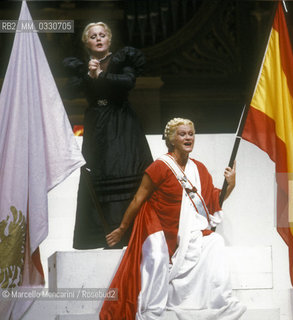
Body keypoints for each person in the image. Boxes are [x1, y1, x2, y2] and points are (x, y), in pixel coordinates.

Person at [99, 118, 246, 319]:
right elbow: (137, 199)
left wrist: (231, 185)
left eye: (191, 134)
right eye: (182, 134)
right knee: (158, 257)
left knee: (216, 242)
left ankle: (219, 302)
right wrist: (122, 229)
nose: (188, 138)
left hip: (189, 230)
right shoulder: (160, 166)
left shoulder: (199, 169)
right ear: (171, 139)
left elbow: (212, 201)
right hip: (161, 227)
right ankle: (152, 309)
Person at [63, 22, 153, 249]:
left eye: (102, 35)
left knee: (125, 167)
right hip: (96, 124)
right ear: (87, 43)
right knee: (99, 170)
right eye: (93, 36)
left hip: (121, 121)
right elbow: (71, 91)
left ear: (109, 40)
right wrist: (88, 75)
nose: (99, 38)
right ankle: (103, 233)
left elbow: (128, 83)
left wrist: (101, 75)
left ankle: (133, 231)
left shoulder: (123, 59)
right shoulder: (82, 66)